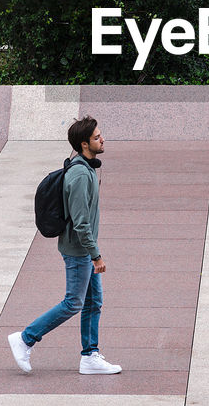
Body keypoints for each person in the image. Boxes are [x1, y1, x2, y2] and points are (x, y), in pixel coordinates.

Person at [7, 116, 122, 375]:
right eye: (96, 137)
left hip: (81, 248)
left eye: (100, 135)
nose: (102, 139)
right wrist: (96, 255)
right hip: (79, 250)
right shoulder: (81, 174)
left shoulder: (85, 168)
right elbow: (81, 223)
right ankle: (25, 338)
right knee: (73, 303)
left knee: (94, 302)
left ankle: (90, 356)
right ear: (83, 144)